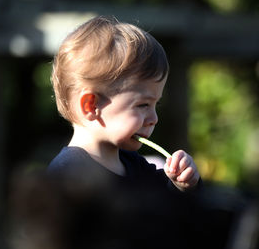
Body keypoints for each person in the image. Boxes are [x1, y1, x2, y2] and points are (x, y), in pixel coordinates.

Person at [47, 15, 200, 193]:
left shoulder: (135, 165)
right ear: (91, 106)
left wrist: (182, 186)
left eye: (155, 105)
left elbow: (171, 212)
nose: (154, 119)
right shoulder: (66, 176)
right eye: (143, 105)